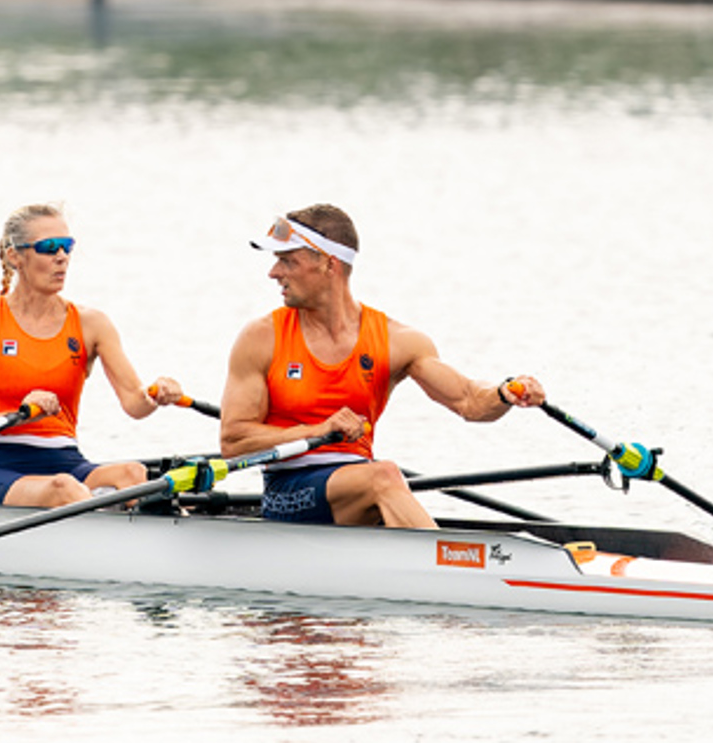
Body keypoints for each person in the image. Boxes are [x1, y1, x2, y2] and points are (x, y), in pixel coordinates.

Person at [219, 203, 546, 528]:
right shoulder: (262, 337)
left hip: (357, 483)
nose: (273, 273)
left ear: (329, 265)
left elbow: (471, 402)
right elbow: (233, 442)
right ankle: (451, 566)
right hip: (289, 491)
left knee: (382, 477)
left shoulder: (396, 340)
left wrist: (505, 393)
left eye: (287, 261)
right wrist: (317, 430)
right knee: (386, 476)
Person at [0, 203, 184, 507]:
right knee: (63, 489)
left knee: (134, 473)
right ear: (15, 256)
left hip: (66, 461)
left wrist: (157, 395)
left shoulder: (92, 324)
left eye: (67, 247)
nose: (62, 257)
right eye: (49, 247)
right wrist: (17, 414)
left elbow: (135, 403)